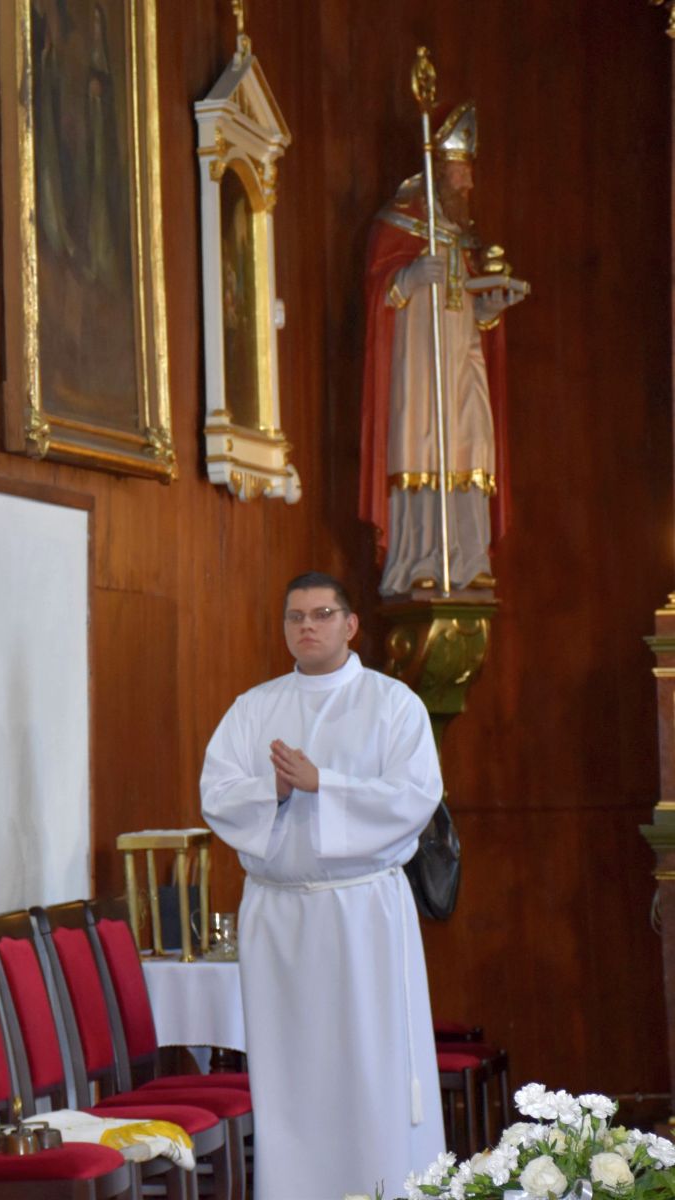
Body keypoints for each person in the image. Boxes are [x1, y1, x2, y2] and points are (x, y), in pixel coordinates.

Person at [200, 572, 444, 1198]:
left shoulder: (393, 704)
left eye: (322, 614)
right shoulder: (254, 708)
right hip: (278, 917)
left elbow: (415, 797)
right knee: (292, 1077)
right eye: (295, 616)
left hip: (363, 911)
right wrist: (274, 790)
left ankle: (384, 1185)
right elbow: (217, 795)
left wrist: (324, 784)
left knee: (370, 1068)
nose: (307, 626)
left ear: (350, 624)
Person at [360, 101, 526, 596]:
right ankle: (419, 559)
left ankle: (469, 558)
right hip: (419, 365)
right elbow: (377, 293)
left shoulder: (464, 240)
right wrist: (407, 278)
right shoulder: (397, 225)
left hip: (464, 362)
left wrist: (488, 310)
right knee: (424, 445)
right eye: (460, 172)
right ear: (438, 172)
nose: (469, 183)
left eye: (469, 172)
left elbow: (470, 306)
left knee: (473, 444)